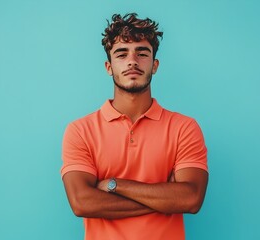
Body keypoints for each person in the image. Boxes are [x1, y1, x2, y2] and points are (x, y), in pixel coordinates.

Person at [61, 13, 208, 240]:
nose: (132, 61)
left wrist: (113, 184)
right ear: (109, 67)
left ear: (155, 65)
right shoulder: (81, 130)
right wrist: (165, 200)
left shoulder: (184, 127)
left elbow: (191, 199)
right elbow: (82, 202)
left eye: (142, 53)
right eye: (122, 53)